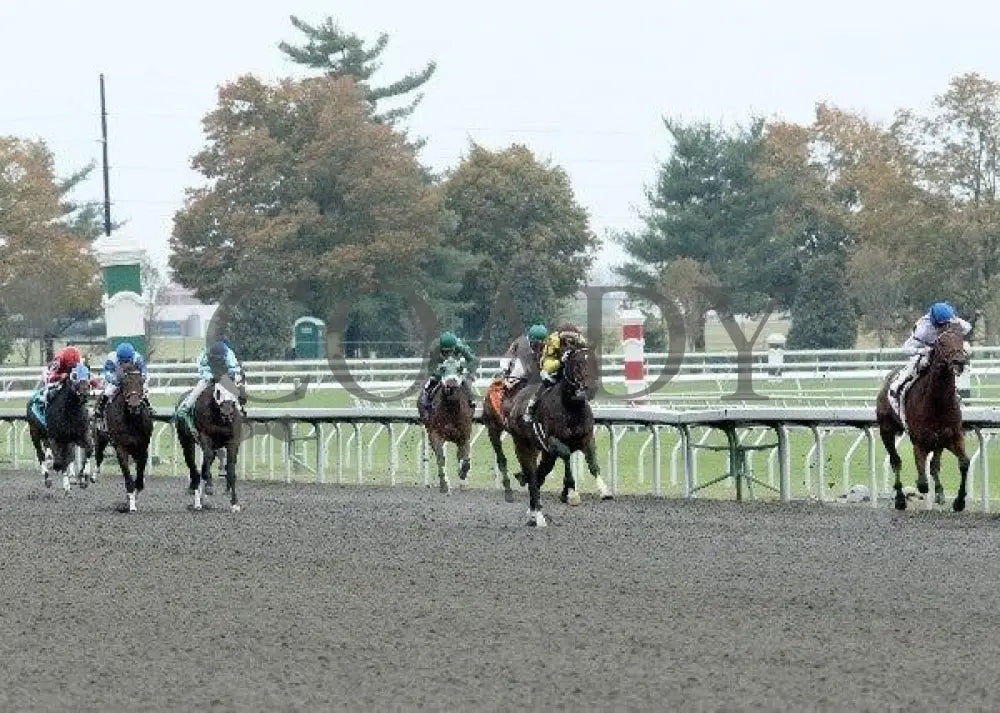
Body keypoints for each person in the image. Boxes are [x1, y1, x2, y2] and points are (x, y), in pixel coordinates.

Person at [889, 301, 971, 406]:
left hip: (943, 351)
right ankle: (897, 389)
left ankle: (957, 395)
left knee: (966, 350)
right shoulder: (922, 330)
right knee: (919, 365)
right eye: (943, 325)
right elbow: (906, 349)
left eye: (948, 324)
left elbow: (967, 328)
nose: (946, 327)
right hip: (925, 351)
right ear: (935, 323)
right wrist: (922, 351)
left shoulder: (953, 320)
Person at [523, 323, 588, 423]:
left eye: (571, 340)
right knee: (546, 381)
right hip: (555, 368)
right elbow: (547, 365)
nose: (569, 343)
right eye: (566, 341)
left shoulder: (580, 342)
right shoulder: (553, 342)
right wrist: (560, 361)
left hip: (570, 369)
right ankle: (531, 407)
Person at [178, 340, 245, 425]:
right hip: (209, 377)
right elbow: (201, 367)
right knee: (198, 390)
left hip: (223, 377)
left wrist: (231, 375)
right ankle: (185, 408)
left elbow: (233, 366)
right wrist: (210, 376)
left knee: (233, 392)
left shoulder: (227, 351)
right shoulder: (205, 352)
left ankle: (239, 410)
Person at [420, 331, 478, 412]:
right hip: (441, 366)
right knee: (430, 381)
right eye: (446, 352)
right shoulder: (434, 349)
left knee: (465, 381)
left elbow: (472, 360)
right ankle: (425, 400)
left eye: (450, 351)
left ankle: (471, 399)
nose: (448, 354)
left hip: (457, 367)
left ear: (454, 348)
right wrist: (438, 373)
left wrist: (465, 369)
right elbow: (431, 367)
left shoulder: (461, 347)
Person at [95, 342, 148, 427]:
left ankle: (148, 408)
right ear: (118, 358)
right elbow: (107, 373)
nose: (125, 364)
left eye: (128, 361)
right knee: (108, 391)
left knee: (144, 390)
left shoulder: (138, 358)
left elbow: (144, 370)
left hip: (132, 377)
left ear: (132, 358)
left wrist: (142, 378)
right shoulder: (111, 359)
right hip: (117, 377)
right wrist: (116, 380)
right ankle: (100, 410)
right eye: (123, 361)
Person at [500, 324, 548, 390]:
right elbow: (505, 360)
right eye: (537, 345)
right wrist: (506, 375)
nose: (539, 348)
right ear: (531, 341)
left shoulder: (545, 347)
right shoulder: (520, 345)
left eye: (541, 345)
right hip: (513, 373)